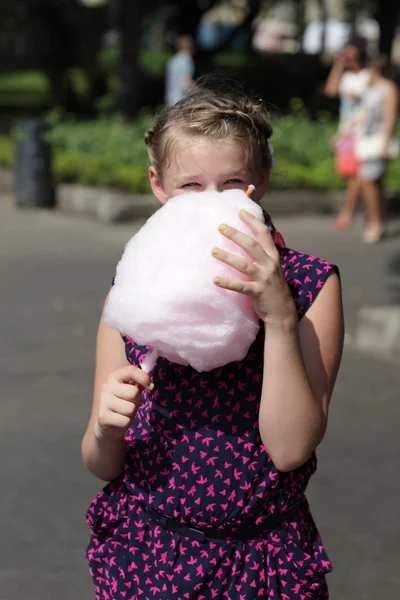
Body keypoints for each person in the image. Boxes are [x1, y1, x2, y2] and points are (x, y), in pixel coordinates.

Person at [82, 80, 344, 599]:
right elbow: (99, 461)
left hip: (260, 559)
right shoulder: (134, 288)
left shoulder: (310, 285)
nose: (210, 203)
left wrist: (279, 316)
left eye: (231, 183)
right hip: (148, 549)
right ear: (158, 185)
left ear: (261, 180)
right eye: (190, 186)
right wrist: (107, 429)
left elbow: (290, 448)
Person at [324, 39, 370, 231]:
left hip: (363, 132)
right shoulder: (346, 77)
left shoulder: (368, 76)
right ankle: (375, 213)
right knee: (353, 175)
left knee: (358, 176)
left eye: (351, 55)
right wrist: (338, 65)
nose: (348, 59)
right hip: (346, 131)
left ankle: (348, 212)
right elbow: (330, 91)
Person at [353, 55, 399, 243]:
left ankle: (375, 224)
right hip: (367, 140)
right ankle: (377, 218)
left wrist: (384, 143)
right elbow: (362, 113)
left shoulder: (388, 89)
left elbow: (389, 118)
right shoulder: (371, 89)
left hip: (378, 141)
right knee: (376, 183)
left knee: (367, 180)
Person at [165, 34, 195, 107]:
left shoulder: (173, 60)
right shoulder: (186, 60)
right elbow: (187, 81)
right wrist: (199, 92)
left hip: (171, 97)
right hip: (182, 98)